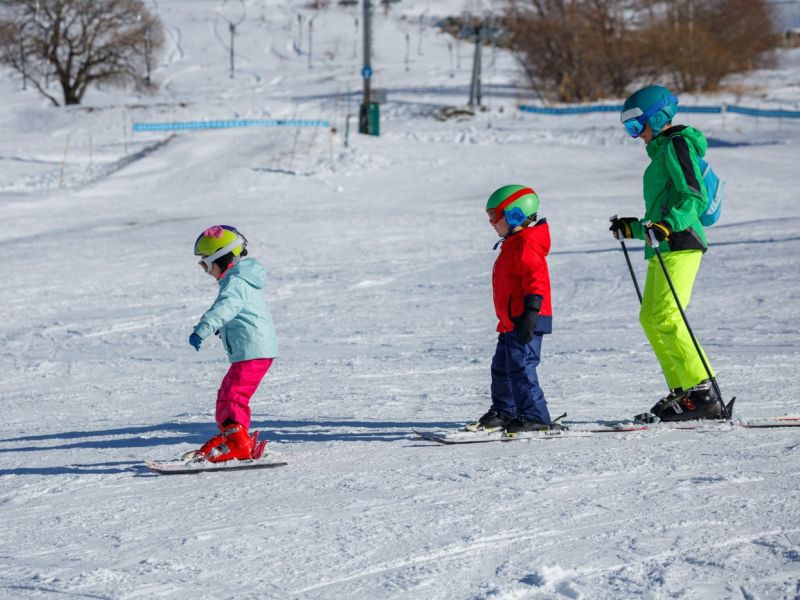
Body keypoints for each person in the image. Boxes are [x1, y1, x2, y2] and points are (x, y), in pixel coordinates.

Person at [610, 84, 724, 422]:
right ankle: (684, 390)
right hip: (665, 245)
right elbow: (661, 211)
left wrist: (668, 225)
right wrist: (633, 228)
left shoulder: (677, 144)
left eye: (637, 125)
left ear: (657, 118)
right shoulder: (661, 152)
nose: (637, 135)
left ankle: (702, 392)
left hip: (682, 242)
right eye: (630, 129)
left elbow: (694, 196)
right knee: (651, 318)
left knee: (666, 316)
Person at [184, 225, 278, 461]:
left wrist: (202, 329)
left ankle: (237, 443)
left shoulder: (235, 283)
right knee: (228, 393)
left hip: (252, 349)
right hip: (253, 349)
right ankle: (235, 438)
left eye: (206, 264)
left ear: (222, 259)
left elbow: (224, 309)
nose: (206, 271)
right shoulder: (239, 280)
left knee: (233, 395)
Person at [468, 185, 555, 434]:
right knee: (502, 368)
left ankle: (535, 416)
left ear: (515, 214)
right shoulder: (514, 243)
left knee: (521, 367)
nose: (491, 222)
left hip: (527, 317)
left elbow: (536, 279)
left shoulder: (526, 243)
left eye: (495, 216)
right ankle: (505, 411)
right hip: (510, 321)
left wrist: (531, 312)